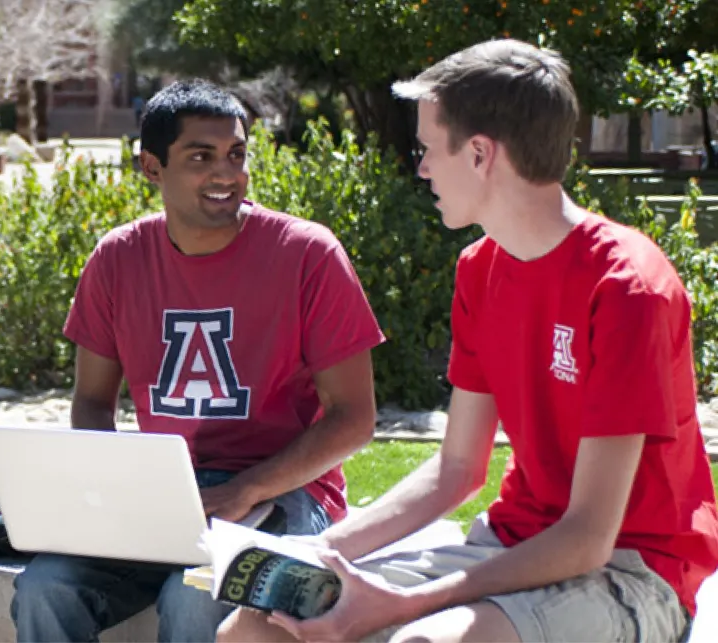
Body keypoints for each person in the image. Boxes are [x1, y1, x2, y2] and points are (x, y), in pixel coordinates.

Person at [218, 38, 718, 643]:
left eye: (428, 148)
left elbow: (588, 537)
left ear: (480, 154)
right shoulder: (480, 270)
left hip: (632, 567)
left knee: (425, 642)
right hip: (512, 543)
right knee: (253, 628)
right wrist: (316, 549)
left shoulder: (627, 288)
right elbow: (458, 469)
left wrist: (402, 605)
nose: (422, 166)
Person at [10, 79, 386, 642]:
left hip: (287, 492)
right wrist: (106, 491)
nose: (226, 174)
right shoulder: (117, 259)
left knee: (191, 602)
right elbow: (91, 401)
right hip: (167, 494)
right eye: (201, 157)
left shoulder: (307, 253)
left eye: (236, 155)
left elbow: (354, 418)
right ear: (151, 167)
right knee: (45, 590)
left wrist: (248, 489)